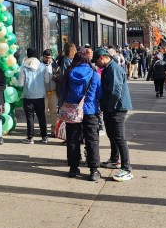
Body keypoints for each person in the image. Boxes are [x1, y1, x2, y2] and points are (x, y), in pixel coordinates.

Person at [95, 47, 134, 182]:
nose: (96, 65)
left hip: (117, 108)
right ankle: (114, 159)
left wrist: (109, 108)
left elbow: (115, 91)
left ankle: (126, 168)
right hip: (112, 108)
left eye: (96, 61)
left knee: (119, 137)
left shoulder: (113, 69)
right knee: (112, 135)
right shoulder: (109, 68)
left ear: (102, 58)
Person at [63, 48, 102, 180]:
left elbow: (64, 91)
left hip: (72, 110)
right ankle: (94, 170)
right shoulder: (94, 74)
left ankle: (73, 168)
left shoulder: (69, 73)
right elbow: (99, 94)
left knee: (72, 140)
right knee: (92, 140)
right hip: (90, 110)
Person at [18, 48, 48, 144]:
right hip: (40, 95)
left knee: (30, 117)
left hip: (28, 96)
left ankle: (30, 137)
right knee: (41, 116)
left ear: (28, 56)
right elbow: (47, 81)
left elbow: (20, 84)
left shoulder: (23, 67)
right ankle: (44, 136)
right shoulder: (43, 66)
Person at [42, 49, 59, 137]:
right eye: (46, 57)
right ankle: (43, 130)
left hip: (54, 92)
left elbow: (60, 76)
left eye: (49, 57)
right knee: (43, 112)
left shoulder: (55, 65)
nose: (48, 59)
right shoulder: (40, 65)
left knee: (54, 112)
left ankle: (54, 130)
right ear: (43, 57)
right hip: (43, 93)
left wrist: (57, 77)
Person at [55, 43, 77, 109]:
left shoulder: (65, 60)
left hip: (66, 87)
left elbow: (64, 75)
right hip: (74, 86)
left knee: (63, 106)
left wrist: (57, 77)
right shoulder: (76, 59)